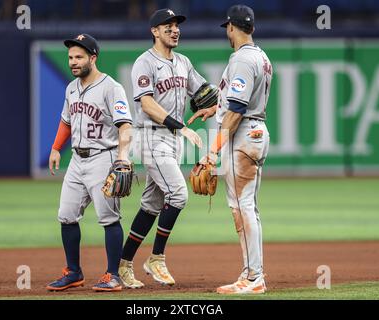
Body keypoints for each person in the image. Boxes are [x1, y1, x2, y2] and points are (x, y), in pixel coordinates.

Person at [118, 8, 207, 289]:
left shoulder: (183, 62)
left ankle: (123, 264)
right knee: (179, 194)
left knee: (151, 206)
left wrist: (215, 102)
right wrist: (181, 126)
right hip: (150, 137)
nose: (174, 30)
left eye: (176, 25)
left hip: (172, 142)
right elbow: (146, 104)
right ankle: (156, 257)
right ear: (154, 31)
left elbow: (204, 91)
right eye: (167, 26)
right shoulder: (144, 62)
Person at [189, 4, 272, 294]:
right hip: (254, 131)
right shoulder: (260, 56)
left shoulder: (241, 60)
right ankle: (253, 273)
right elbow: (237, 103)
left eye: (227, 27)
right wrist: (216, 108)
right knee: (248, 206)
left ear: (232, 28)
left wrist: (212, 152)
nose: (227, 31)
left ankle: (253, 278)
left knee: (242, 207)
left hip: (243, 135)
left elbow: (237, 111)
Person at [46, 33, 133, 292]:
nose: (73, 62)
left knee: (108, 218)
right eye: (71, 57)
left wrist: (123, 156)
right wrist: (55, 148)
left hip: (102, 158)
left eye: (79, 57)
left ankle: (113, 275)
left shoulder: (111, 87)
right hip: (76, 160)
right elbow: (66, 120)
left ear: (92, 58)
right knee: (66, 215)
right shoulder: (71, 88)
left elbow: (125, 125)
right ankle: (73, 272)